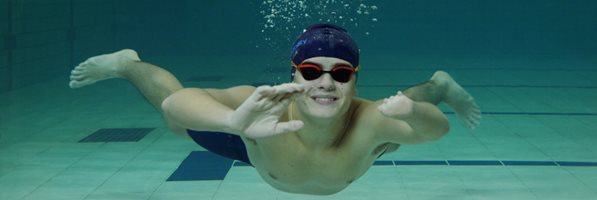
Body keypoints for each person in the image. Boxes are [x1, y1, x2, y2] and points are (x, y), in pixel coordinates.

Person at [68, 24, 480, 195]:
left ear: (354, 77)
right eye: (310, 71)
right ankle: (127, 63)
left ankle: (438, 84)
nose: (325, 83)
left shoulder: (368, 119)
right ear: (294, 74)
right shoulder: (267, 106)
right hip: (261, 142)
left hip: (358, 145)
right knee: (173, 120)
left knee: (398, 109)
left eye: (340, 73)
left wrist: (410, 109)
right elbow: (178, 103)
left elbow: (434, 130)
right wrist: (233, 122)